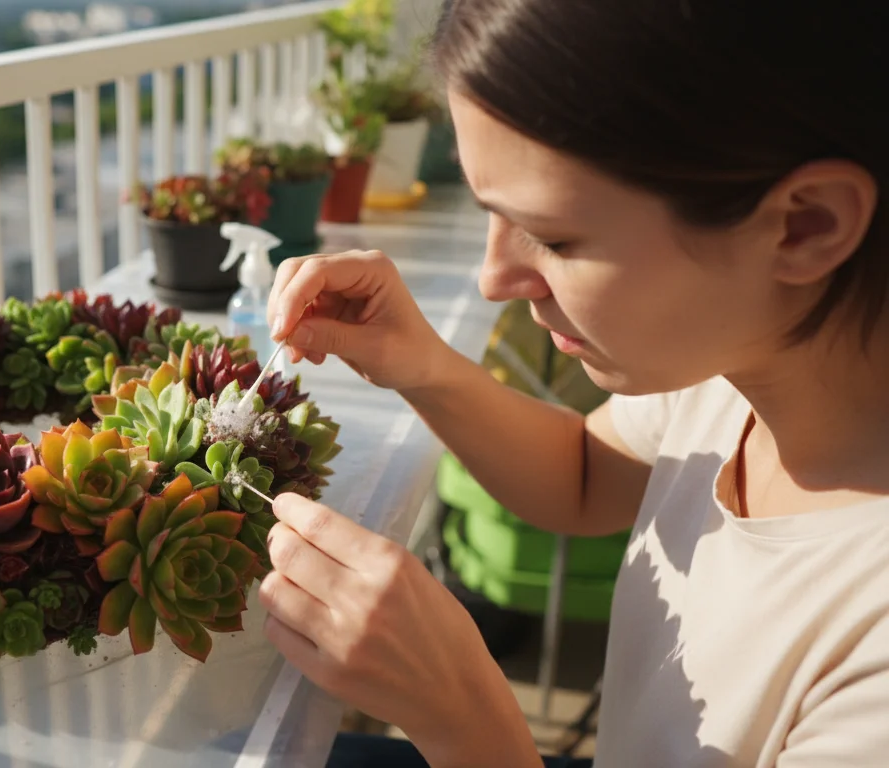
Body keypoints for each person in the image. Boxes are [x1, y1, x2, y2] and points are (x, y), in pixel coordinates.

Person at [255, 1, 889, 766]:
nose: (495, 281)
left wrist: (460, 712)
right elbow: (584, 475)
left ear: (807, 225)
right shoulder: (735, 370)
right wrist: (421, 364)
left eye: (552, 236)